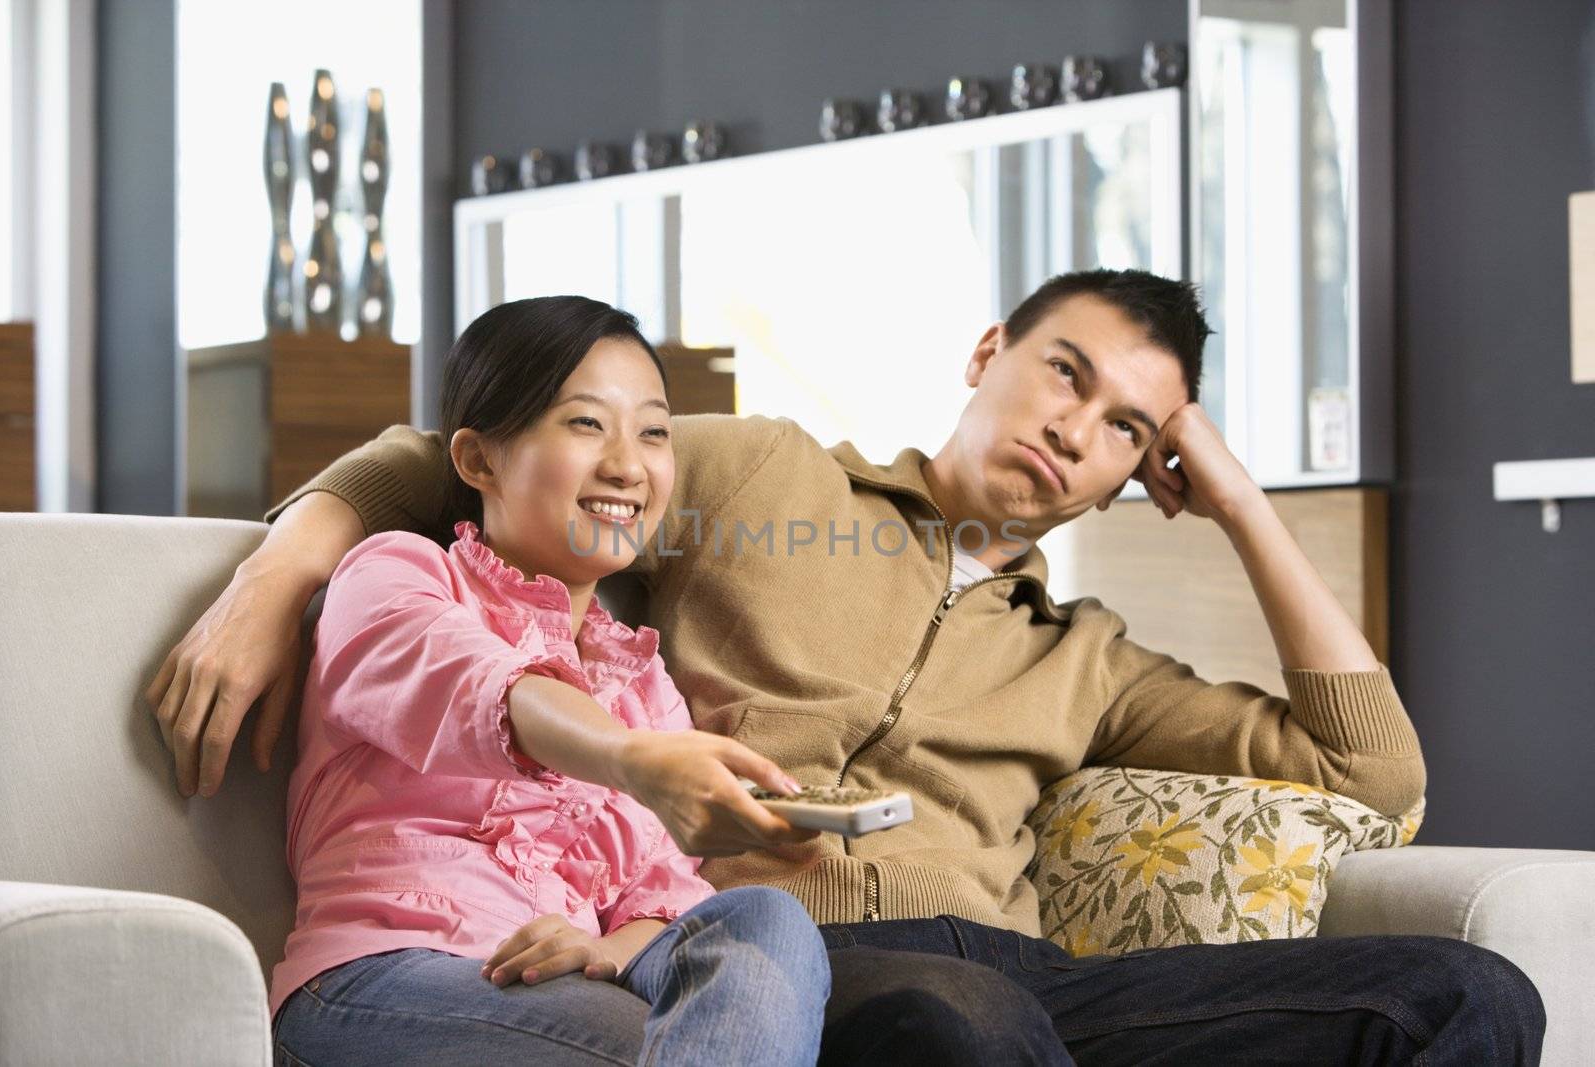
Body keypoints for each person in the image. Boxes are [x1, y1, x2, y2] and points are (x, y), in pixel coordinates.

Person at [150, 269, 1546, 1064]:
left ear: (1146, 471)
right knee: (955, 1022)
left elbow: (1376, 772)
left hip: (1029, 981)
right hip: (804, 967)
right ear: (989, 350)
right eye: (1065, 374)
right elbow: (483, 448)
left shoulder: (1094, 660)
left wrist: (1240, 496)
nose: (1077, 430)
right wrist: (284, 569)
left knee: (1473, 993)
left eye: (1130, 428)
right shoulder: (766, 470)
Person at [263, 295, 830, 1065]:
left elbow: (660, 889)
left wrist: (606, 946)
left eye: (654, 431)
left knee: (765, 921)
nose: (628, 465)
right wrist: (633, 758)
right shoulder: (395, 575)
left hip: (563, 987)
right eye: (586, 423)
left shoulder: (642, 681)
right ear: (476, 459)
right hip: (377, 981)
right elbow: (480, 686)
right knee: (651, 1045)